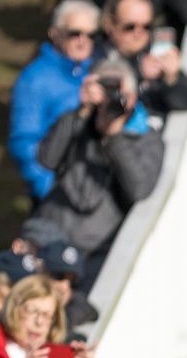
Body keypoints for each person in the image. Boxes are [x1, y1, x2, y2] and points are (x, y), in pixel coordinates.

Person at [30, 53, 164, 267]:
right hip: (49, 239)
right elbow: (46, 160)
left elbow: (140, 188)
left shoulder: (146, 138)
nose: (111, 100)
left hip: (97, 251)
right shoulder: (79, 121)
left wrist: (114, 138)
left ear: (133, 98)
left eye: (119, 94)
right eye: (106, 91)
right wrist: (82, 111)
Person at [8, 0, 98, 200]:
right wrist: (49, 188)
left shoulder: (93, 70)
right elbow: (23, 143)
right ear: (55, 33)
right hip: (58, 195)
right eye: (75, 33)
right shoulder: (34, 80)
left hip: (88, 187)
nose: (84, 41)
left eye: (91, 34)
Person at [100, 0, 187, 128]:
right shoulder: (96, 55)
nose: (139, 33)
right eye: (130, 26)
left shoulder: (153, 54)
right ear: (111, 24)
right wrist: (138, 73)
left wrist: (171, 79)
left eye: (146, 26)